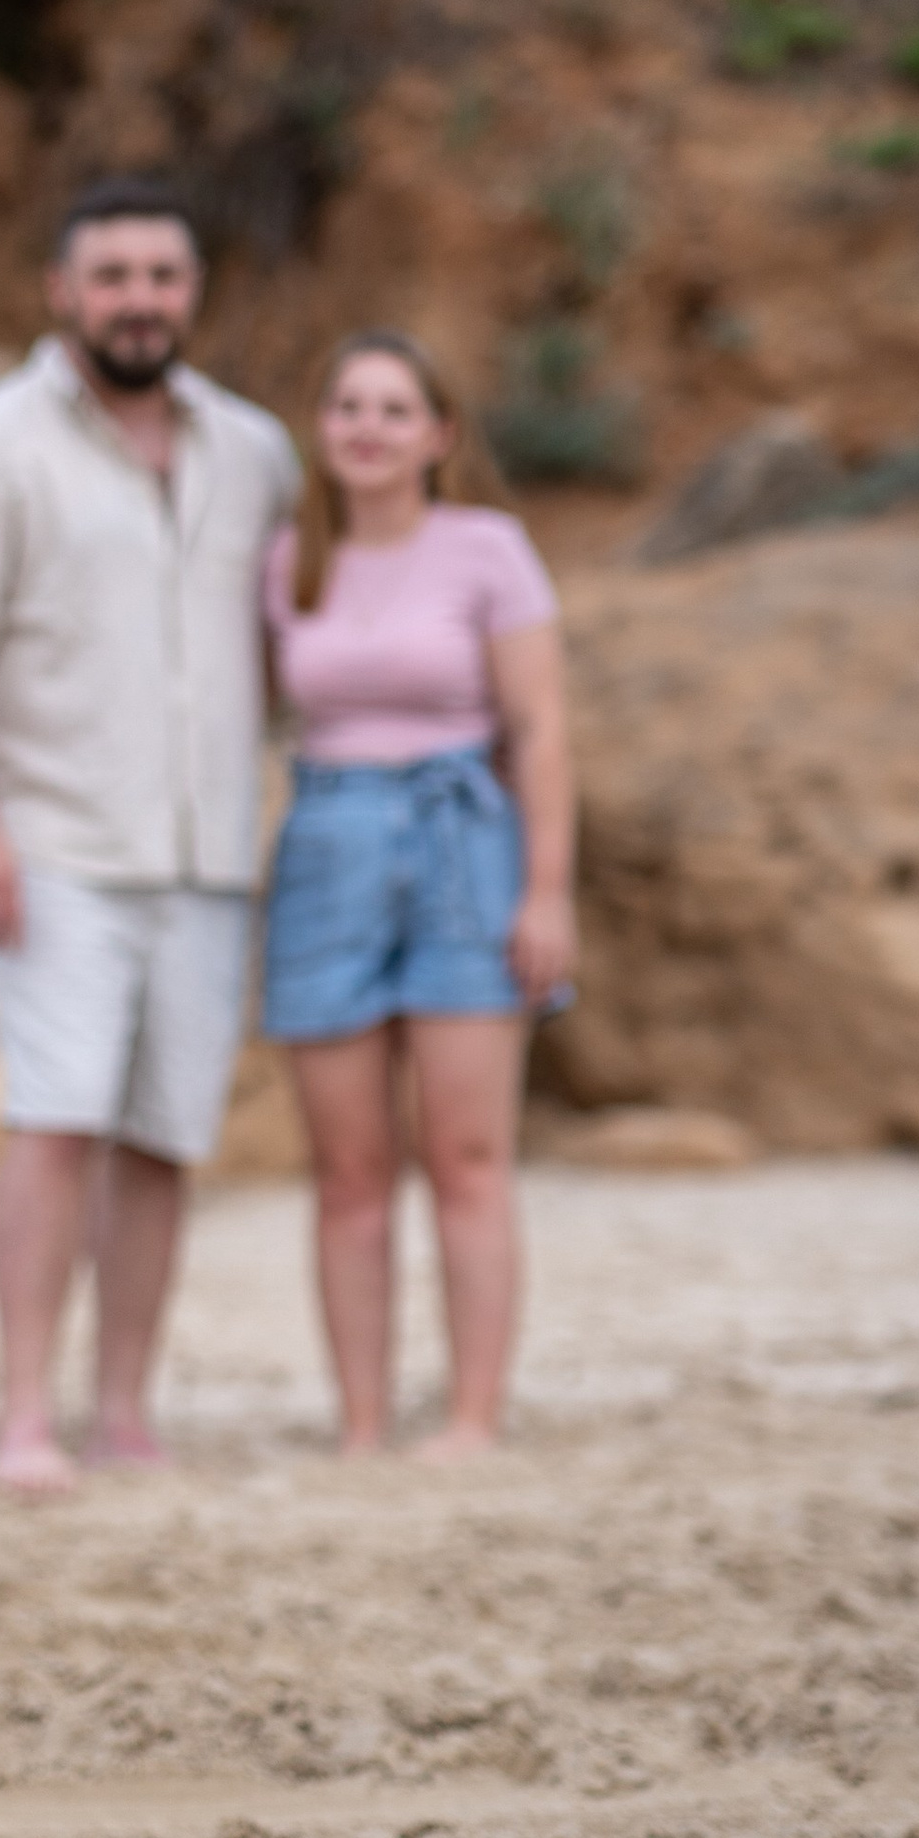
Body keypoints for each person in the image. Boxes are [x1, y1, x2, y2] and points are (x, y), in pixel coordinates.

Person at [0, 180, 303, 1492]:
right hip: (54, 840)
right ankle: (25, 1413)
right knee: (56, 1119)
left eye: (163, 277)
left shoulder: (254, 452)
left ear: (193, 292)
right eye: (113, 275)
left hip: (208, 851)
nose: (140, 299)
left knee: (167, 1137)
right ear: (63, 290)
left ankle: (125, 1407)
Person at [261, 331, 576, 1457]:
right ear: (322, 428)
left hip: (462, 846)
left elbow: (538, 728)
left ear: (440, 435)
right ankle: (359, 1420)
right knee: (348, 1167)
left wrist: (545, 892)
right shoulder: (289, 556)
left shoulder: (489, 548)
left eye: (396, 409)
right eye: (347, 405)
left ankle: (473, 1416)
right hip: (327, 847)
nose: (368, 427)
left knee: (468, 1155)